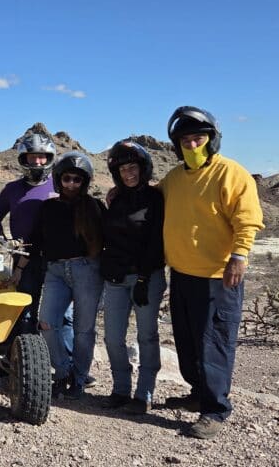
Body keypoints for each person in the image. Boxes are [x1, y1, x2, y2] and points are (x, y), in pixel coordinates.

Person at [159, 106, 264, 439]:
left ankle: (215, 410)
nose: (192, 146)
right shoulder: (174, 178)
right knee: (188, 342)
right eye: (186, 141)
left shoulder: (231, 173)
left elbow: (247, 219)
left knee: (213, 343)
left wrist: (239, 256)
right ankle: (197, 394)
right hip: (182, 274)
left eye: (198, 139)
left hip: (218, 276)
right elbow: (153, 198)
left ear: (212, 140)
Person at [16, 152, 105, 400]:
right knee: (46, 322)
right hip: (55, 271)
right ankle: (63, 371)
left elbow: (109, 240)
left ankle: (78, 379)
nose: (72, 184)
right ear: (58, 179)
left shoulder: (95, 207)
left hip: (87, 270)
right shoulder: (48, 207)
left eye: (77, 180)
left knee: (84, 329)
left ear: (84, 181)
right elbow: (35, 241)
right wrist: (18, 269)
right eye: (67, 179)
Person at [0, 133, 74, 346]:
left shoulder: (60, 185)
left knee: (64, 313)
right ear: (23, 159)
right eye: (32, 157)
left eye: (42, 157)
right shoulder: (12, 189)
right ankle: (21, 361)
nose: (37, 161)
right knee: (25, 310)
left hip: (58, 259)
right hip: (24, 259)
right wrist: (5, 242)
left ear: (49, 158)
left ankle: (68, 366)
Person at [100, 141, 166, 414]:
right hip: (116, 278)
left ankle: (144, 394)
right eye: (123, 169)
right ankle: (120, 389)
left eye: (133, 167)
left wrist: (143, 278)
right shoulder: (115, 199)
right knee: (112, 337)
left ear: (143, 167)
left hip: (146, 277)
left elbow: (156, 242)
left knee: (147, 336)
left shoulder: (156, 199)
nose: (129, 173)